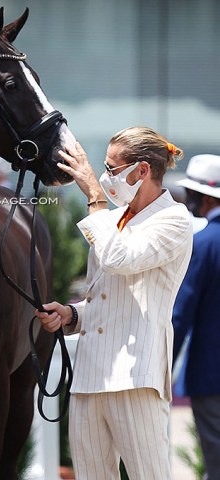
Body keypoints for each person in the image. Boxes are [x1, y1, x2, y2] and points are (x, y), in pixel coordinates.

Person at [35, 126, 193, 480]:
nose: (105, 178)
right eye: (103, 169)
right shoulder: (115, 219)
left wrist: (94, 196)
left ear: (142, 170)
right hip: (90, 376)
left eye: (112, 168)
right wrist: (72, 314)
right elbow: (112, 296)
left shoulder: (174, 220)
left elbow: (120, 259)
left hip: (136, 377)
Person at [172, 154, 220, 480]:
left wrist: (160, 366)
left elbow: (180, 315)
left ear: (204, 197)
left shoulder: (202, 245)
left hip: (212, 376)